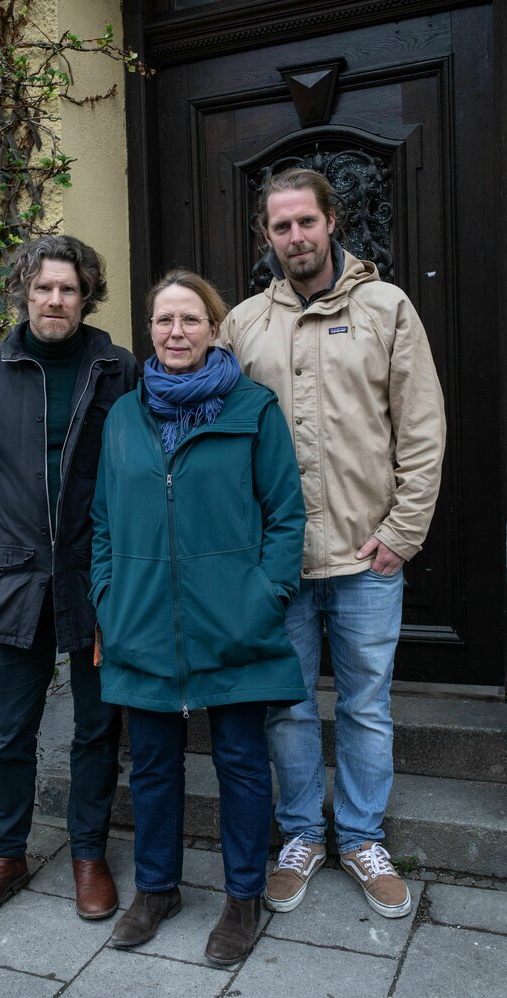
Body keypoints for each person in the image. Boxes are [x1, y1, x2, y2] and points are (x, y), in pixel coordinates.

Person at [219, 168, 446, 920]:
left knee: (366, 706)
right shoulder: (244, 323)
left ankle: (358, 836)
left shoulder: (386, 307)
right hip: (277, 565)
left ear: (330, 220)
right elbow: (220, 442)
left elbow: (420, 428)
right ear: (266, 237)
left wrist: (400, 534)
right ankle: (298, 838)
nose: (294, 238)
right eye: (279, 227)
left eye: (304, 223)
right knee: (284, 706)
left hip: (364, 557)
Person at [89, 269, 307, 966]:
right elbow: (101, 522)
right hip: (142, 623)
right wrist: (108, 596)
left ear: (214, 329)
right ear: (148, 332)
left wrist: (262, 596)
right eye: (162, 321)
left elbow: (285, 515)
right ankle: (156, 889)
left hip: (232, 624)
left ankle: (242, 899)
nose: (174, 332)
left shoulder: (252, 409)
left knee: (242, 763)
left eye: (189, 320)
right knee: (151, 765)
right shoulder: (125, 416)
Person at [0, 234, 139, 924]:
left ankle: (88, 853)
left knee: (95, 728)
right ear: (23, 292)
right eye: (42, 288)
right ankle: (5, 855)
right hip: (16, 577)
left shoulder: (118, 368)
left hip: (97, 579)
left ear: (87, 296)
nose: (54, 300)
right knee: (8, 731)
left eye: (67, 288)